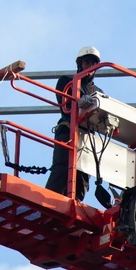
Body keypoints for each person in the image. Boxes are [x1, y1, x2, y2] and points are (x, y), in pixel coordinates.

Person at [46, 46, 102, 201]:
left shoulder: (99, 92)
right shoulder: (67, 81)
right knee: (62, 170)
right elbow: (66, 108)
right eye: (86, 62)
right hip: (68, 131)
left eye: (93, 64)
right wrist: (80, 103)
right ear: (80, 64)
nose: (90, 67)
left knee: (83, 176)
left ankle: (75, 205)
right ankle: (49, 201)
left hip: (87, 138)